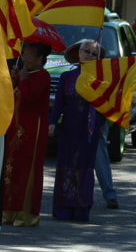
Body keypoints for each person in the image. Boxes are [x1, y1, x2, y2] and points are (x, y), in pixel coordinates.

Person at [49, 39, 104, 222]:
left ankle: (81, 208)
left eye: (93, 53)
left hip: (90, 129)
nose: (89, 55)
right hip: (69, 127)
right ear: (78, 53)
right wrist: (52, 122)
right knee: (66, 164)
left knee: (84, 167)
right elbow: (59, 104)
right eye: (86, 51)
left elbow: (106, 105)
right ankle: (63, 208)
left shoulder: (101, 78)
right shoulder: (67, 77)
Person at [2, 42, 52, 227]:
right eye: (24, 54)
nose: (25, 58)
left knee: (27, 168)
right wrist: (14, 79)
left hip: (33, 129)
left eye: (30, 55)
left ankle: (26, 213)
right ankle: (8, 210)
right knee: (11, 166)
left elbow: (30, 96)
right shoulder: (21, 73)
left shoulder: (43, 76)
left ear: (40, 59)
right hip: (15, 127)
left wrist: (21, 80)